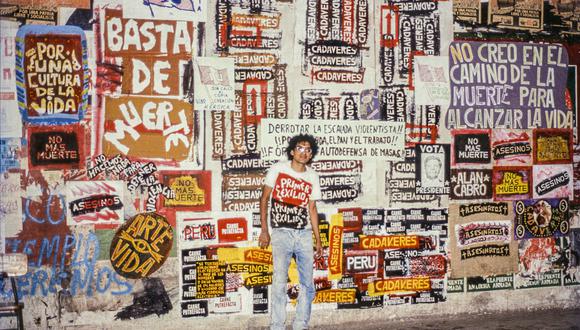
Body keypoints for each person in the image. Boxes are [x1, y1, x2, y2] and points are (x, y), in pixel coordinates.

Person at [259, 133, 322, 330]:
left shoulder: (312, 175)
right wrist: (264, 230)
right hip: (281, 232)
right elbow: (264, 199)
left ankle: (300, 324)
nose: (304, 153)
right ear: (293, 151)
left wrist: (318, 240)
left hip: (303, 234)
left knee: (307, 283)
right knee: (278, 282)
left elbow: (312, 208)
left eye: (308, 150)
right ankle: (277, 326)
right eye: (300, 148)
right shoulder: (278, 169)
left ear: (311, 155)